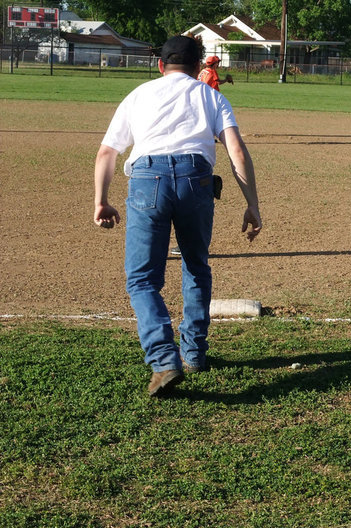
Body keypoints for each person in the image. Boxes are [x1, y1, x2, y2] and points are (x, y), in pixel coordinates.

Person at [93, 35, 262, 397]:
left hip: (146, 179)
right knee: (196, 266)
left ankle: (164, 359)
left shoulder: (138, 95)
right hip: (196, 179)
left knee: (142, 279)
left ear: (160, 65)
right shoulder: (212, 96)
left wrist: (101, 200)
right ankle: (194, 354)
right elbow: (236, 149)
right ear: (199, 65)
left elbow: (107, 152)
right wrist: (252, 203)